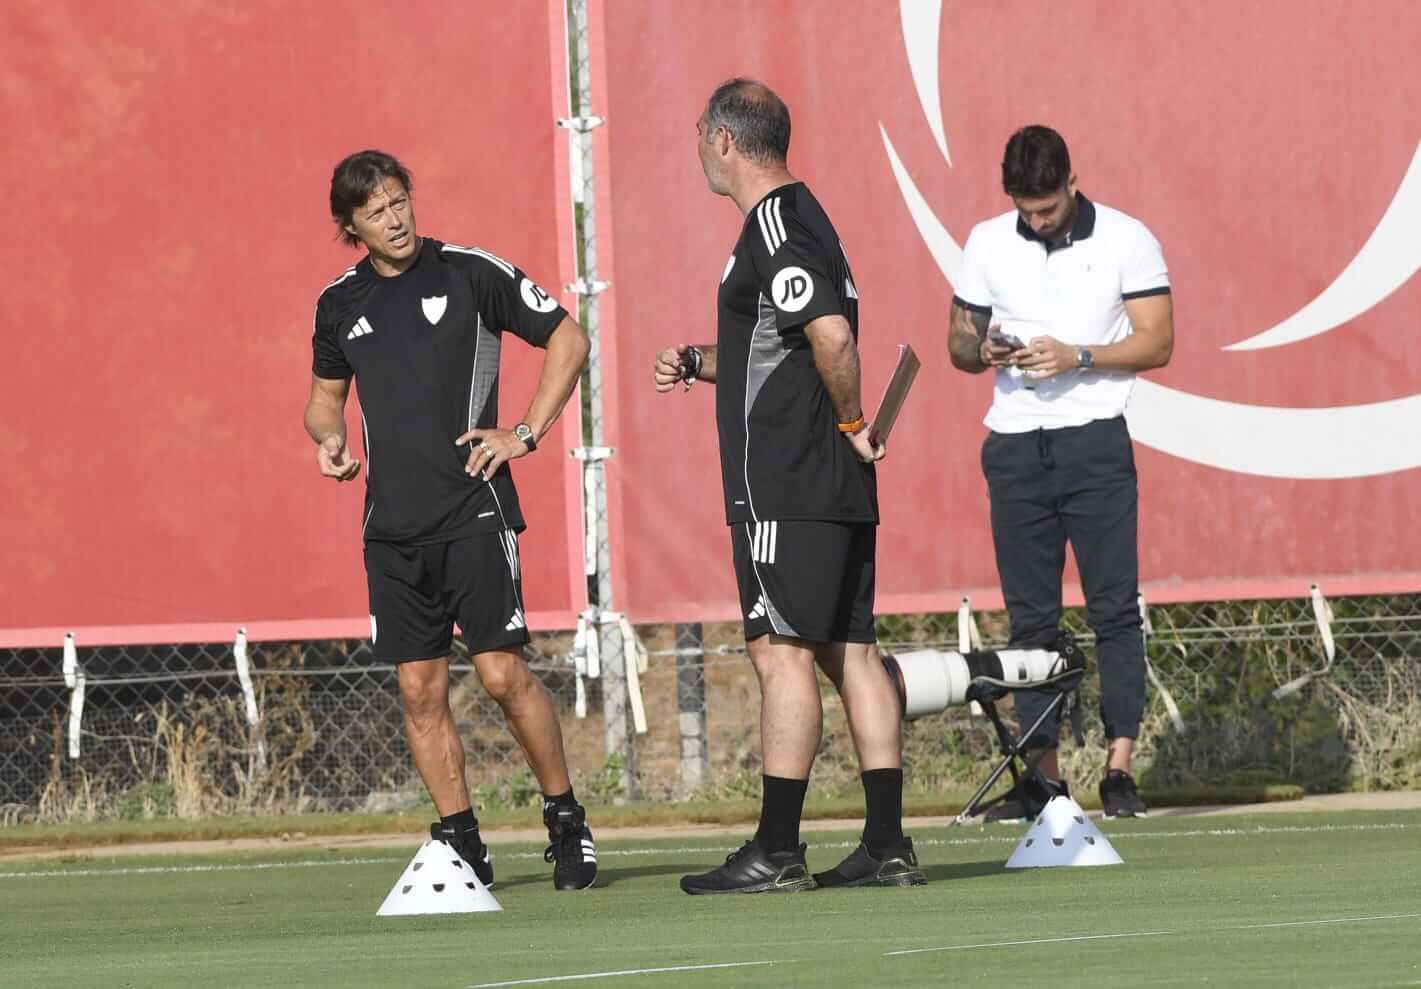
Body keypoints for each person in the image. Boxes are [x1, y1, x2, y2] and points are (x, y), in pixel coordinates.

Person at [655, 79, 925, 893]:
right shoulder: (803, 219)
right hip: (829, 480)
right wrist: (705, 362)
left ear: (724, 139)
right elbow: (785, 346)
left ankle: (776, 848)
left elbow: (831, 336)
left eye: (702, 131)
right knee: (853, 651)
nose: (698, 144)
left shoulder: (774, 221)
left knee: (779, 650)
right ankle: (884, 845)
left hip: (788, 483)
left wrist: (848, 421)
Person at [304, 150, 598, 888]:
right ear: (351, 226)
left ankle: (566, 819)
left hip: (474, 510)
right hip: (391, 529)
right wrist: (328, 441)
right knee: (417, 689)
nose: (395, 218)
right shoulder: (339, 302)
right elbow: (321, 400)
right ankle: (462, 840)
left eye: (400, 200)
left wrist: (523, 433)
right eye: (376, 211)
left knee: (501, 674)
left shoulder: (470, 272)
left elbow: (570, 338)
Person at [947, 125, 1174, 820]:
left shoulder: (1126, 238)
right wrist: (981, 347)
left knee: (1113, 609)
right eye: (1026, 209)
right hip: (1014, 444)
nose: (1037, 220)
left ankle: (1119, 768)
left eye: (1047, 207)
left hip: (1094, 441)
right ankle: (1042, 776)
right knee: (1029, 618)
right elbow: (956, 340)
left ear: (1072, 184)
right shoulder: (987, 239)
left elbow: (1157, 341)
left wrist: (1075, 355)